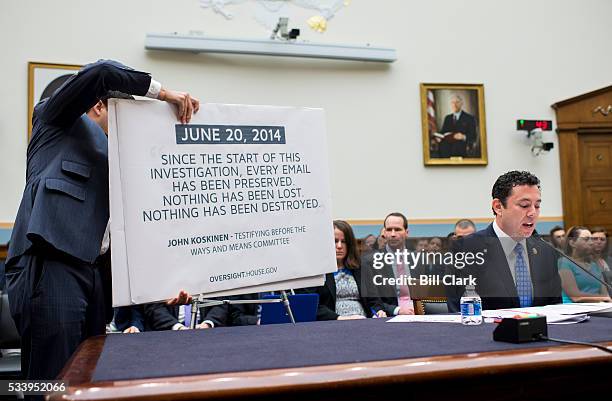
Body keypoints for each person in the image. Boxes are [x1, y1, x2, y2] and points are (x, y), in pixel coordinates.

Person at [4, 60, 197, 381]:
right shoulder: (55, 121)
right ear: (98, 105)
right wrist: (163, 94)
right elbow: (101, 71)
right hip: (53, 264)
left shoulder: (122, 154)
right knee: (52, 379)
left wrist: (162, 283)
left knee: (88, 376)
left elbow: (134, 229)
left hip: (99, 276)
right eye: (126, 114)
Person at [446, 171, 562, 311]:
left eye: (537, 206)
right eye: (524, 205)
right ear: (498, 207)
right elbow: (459, 309)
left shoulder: (546, 251)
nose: (533, 213)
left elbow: (556, 310)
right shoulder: (466, 249)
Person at [308, 220, 384, 320]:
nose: (339, 246)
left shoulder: (361, 267)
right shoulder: (316, 271)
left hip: (363, 322)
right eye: (335, 241)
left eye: (343, 242)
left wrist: (378, 311)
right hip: (332, 324)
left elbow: (374, 301)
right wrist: (340, 318)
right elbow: (313, 306)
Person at [362, 213, 415, 316]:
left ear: (407, 232)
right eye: (389, 230)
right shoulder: (371, 262)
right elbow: (373, 301)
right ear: (384, 232)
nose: (393, 234)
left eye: (398, 229)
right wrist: (397, 310)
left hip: (421, 314)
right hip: (391, 316)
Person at [558, 226, 611, 303]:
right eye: (586, 239)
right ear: (572, 243)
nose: (591, 242)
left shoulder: (595, 265)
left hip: (598, 308)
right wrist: (602, 299)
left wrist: (605, 300)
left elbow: (605, 294)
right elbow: (576, 297)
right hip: (574, 310)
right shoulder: (564, 262)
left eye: (591, 239)